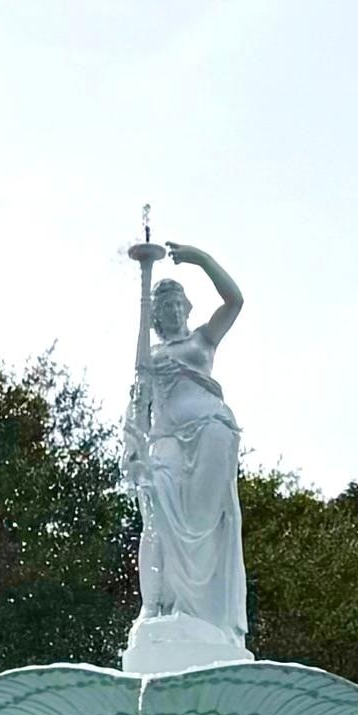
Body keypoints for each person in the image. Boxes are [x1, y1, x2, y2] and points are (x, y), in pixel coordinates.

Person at [121, 228, 248, 650]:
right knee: (156, 513)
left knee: (206, 525)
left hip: (211, 434)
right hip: (167, 441)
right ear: (155, 314)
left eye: (178, 302)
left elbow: (235, 301)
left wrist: (201, 258)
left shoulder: (203, 341)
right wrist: (133, 448)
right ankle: (155, 605)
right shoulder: (150, 358)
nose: (173, 309)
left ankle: (204, 614)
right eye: (165, 305)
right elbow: (139, 401)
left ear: (187, 309)